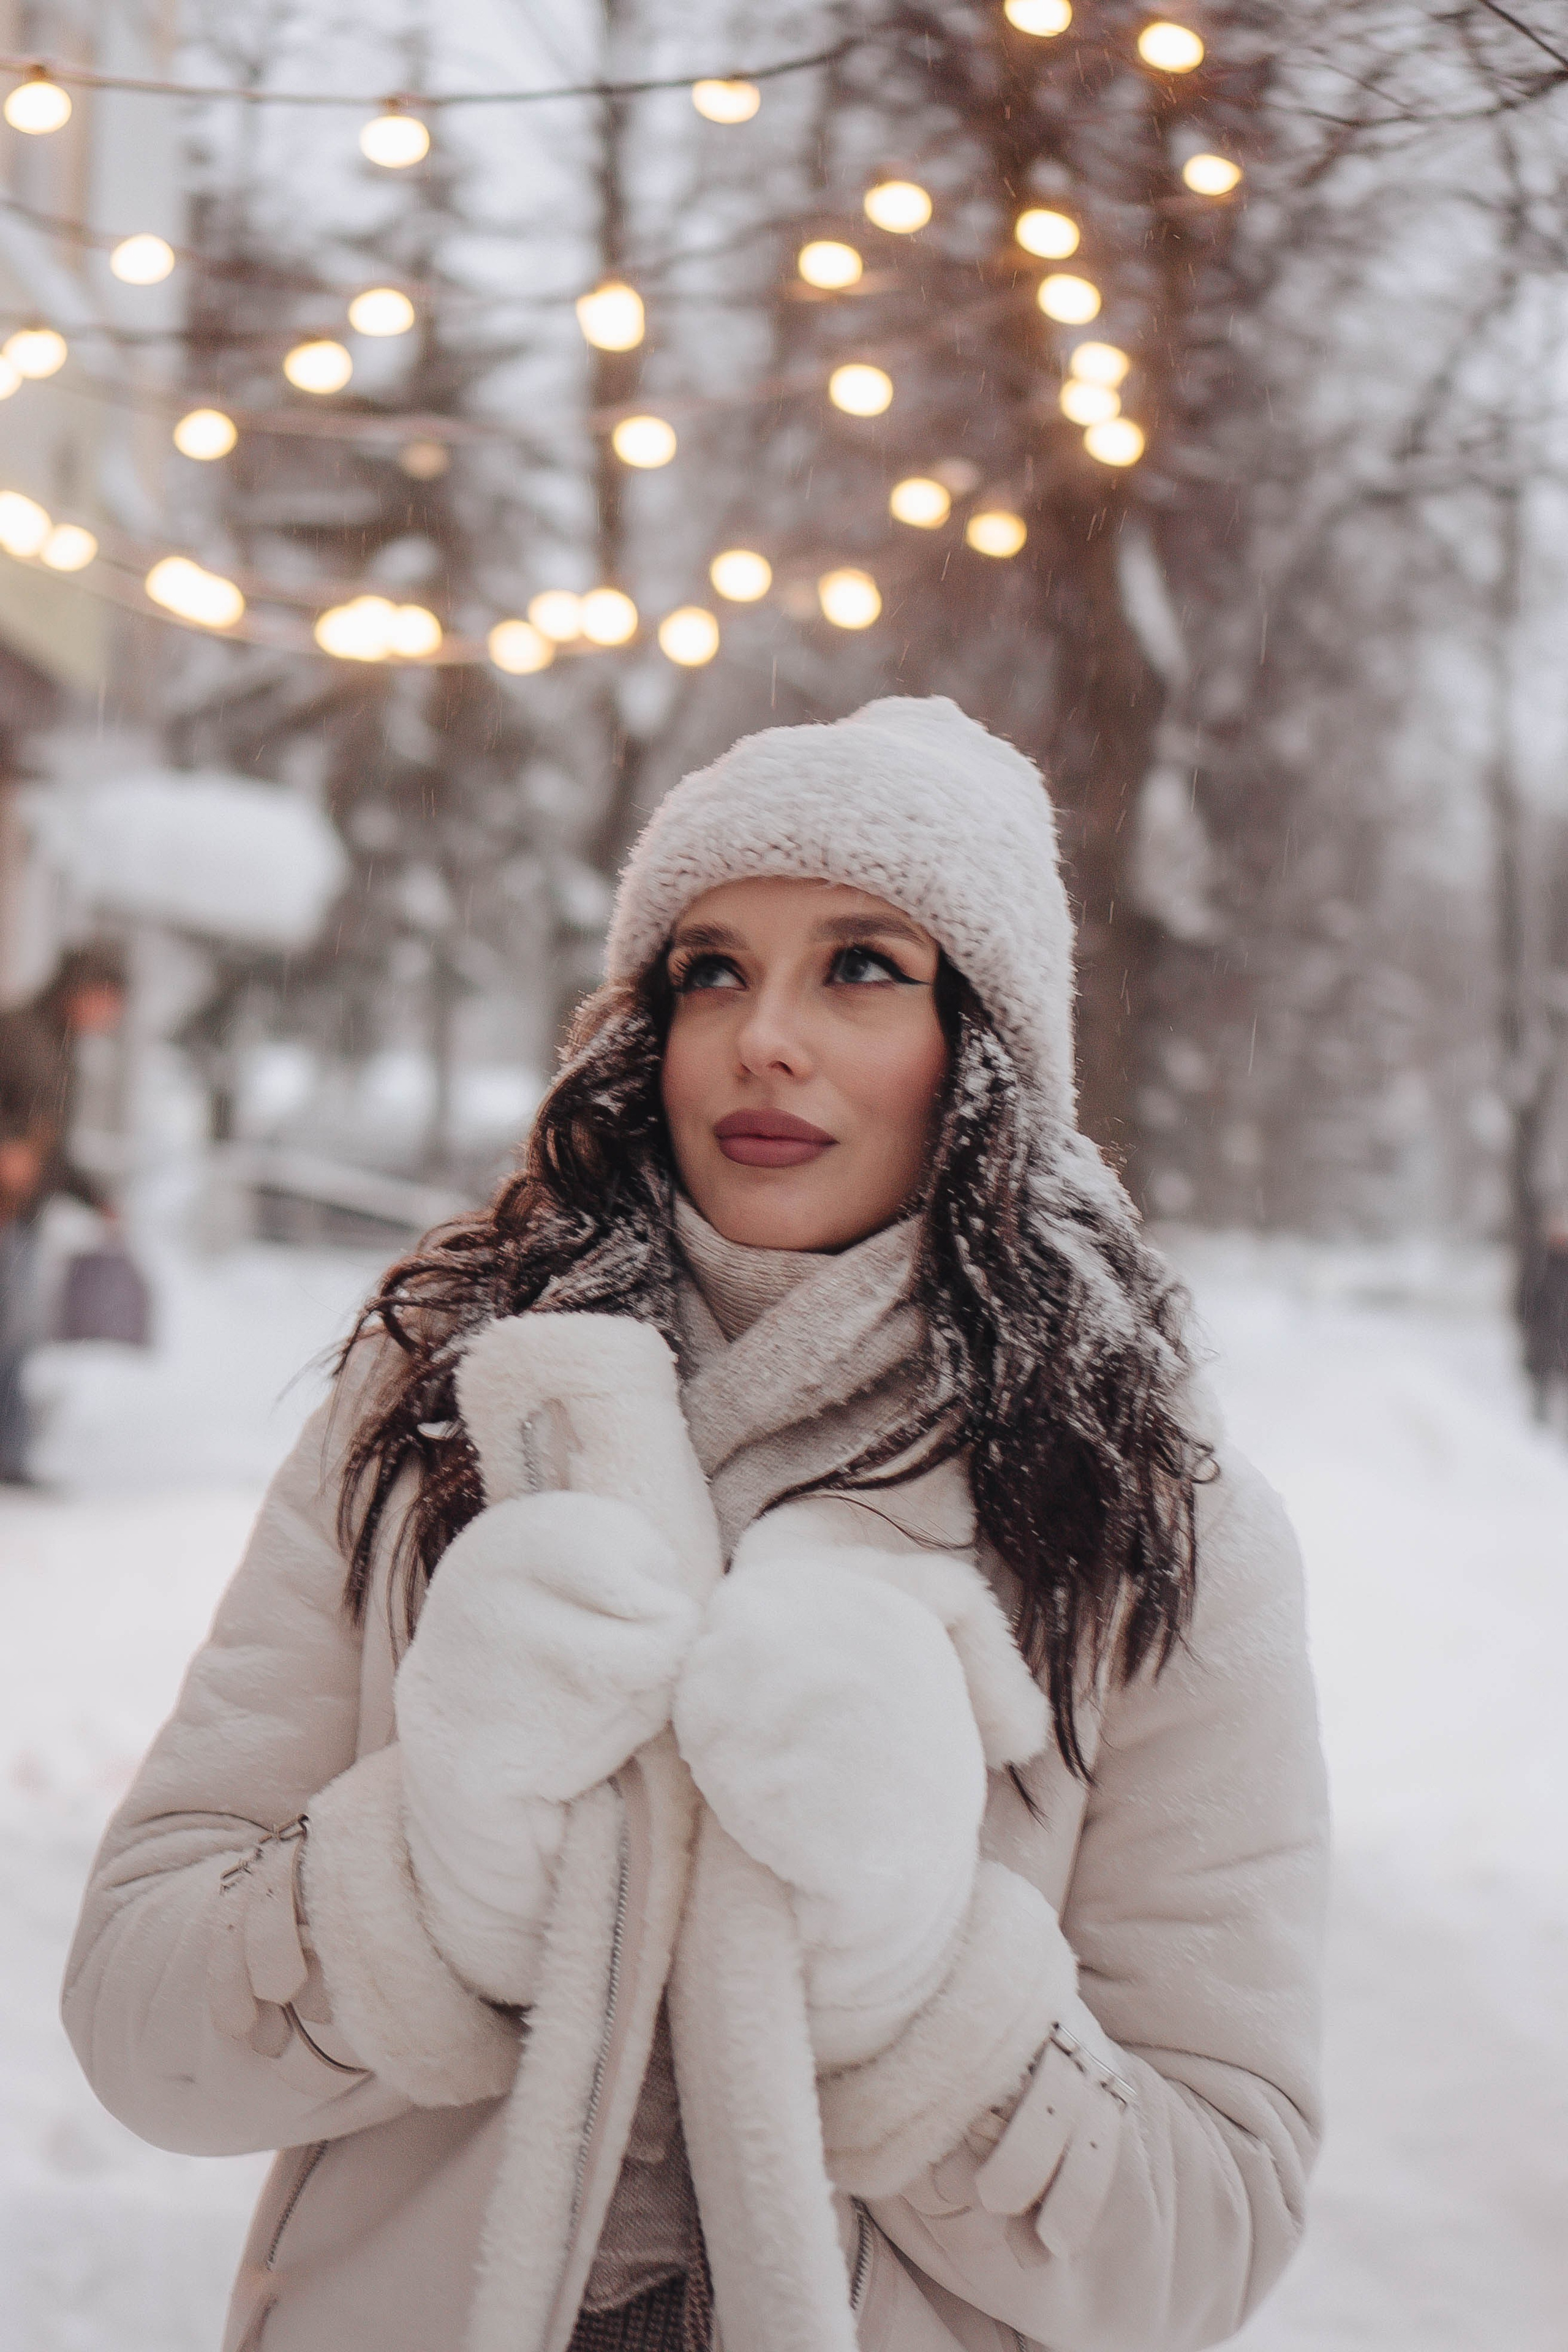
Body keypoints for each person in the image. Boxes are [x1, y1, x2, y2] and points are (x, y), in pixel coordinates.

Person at [63, 699, 1329, 2352]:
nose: (763, 1040)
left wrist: (907, 1979)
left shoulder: (1145, 1519)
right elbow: (136, 2009)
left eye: (862, 967)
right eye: (710, 970)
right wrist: (437, 1882)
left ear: (990, 1047)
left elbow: (1207, 2233)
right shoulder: (440, 1407)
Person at [0, 941, 127, 1483]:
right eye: (108, 1000)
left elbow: (51, 1148)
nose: (111, 1016)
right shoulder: (16, 1033)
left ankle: (11, 1454)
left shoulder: (65, 1053)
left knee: (18, 1336)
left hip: (22, 1217)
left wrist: (94, 1196)